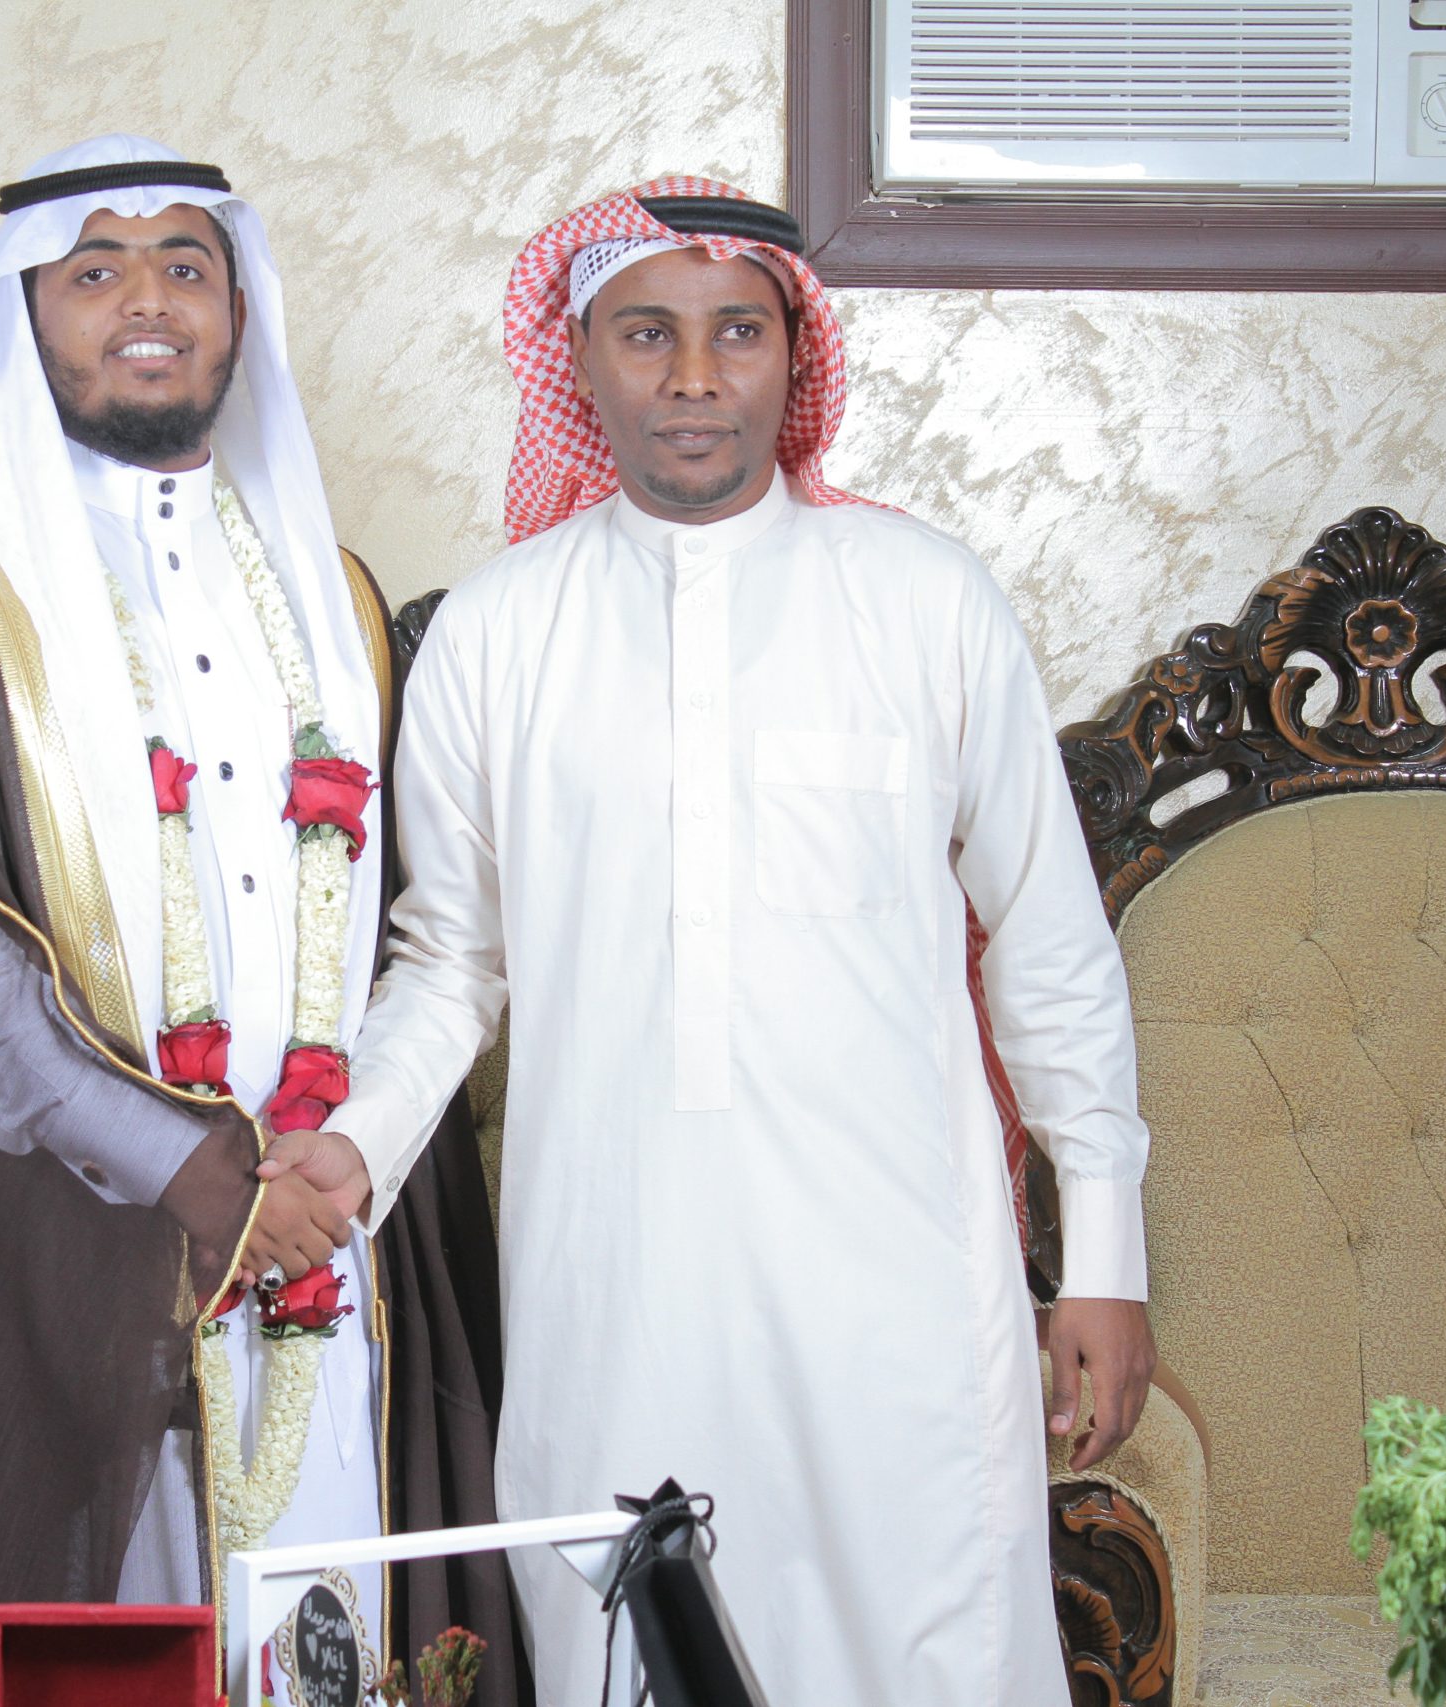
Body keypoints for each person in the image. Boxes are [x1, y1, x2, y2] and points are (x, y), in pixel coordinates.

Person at [290, 178, 1159, 1705]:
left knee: (925, 1653)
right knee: (636, 1647)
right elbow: (450, 962)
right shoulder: (497, 634)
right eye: (647, 334)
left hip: (895, 1281)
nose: (693, 377)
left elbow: (1047, 939)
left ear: (794, 355)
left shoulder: (926, 603)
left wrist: (1104, 1254)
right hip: (612, 1279)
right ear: (580, 360)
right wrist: (353, 1147)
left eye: (736, 333)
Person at [0, 135, 519, 1701]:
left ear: (239, 309)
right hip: (64, 1250)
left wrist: (345, 1155)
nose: (145, 302)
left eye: (183, 266)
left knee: (340, 1636)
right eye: (95, 271)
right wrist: (194, 1174)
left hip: (333, 1237)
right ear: (26, 315)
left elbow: (420, 938)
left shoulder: (337, 598)